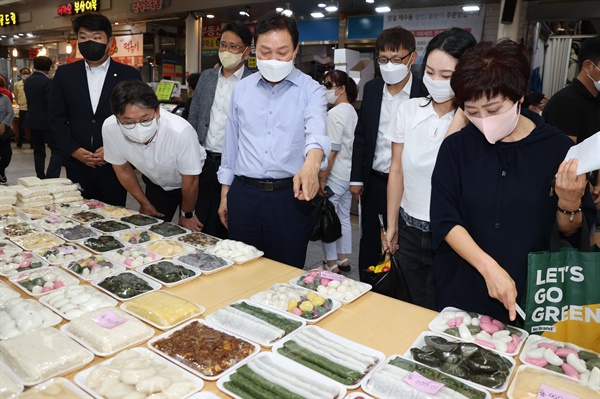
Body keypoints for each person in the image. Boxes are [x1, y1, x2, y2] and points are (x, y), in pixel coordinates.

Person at [430, 39, 596, 323]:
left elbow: (572, 231)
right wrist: (489, 269)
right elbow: (445, 218)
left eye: (493, 109)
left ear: (519, 96)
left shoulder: (556, 148)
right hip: (462, 291)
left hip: (533, 295)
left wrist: (569, 203)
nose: (483, 120)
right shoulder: (456, 148)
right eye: (472, 111)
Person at [217, 11, 330, 269]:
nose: (274, 59)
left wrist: (312, 166)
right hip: (244, 195)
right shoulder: (242, 90)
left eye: (282, 52)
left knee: (285, 273)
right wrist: (226, 193)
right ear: (255, 48)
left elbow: (316, 133)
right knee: (241, 270)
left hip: (289, 198)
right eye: (266, 52)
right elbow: (231, 145)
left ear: (296, 49)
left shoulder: (311, 90)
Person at [384, 28, 477, 310]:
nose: (436, 81)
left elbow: (445, 164)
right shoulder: (408, 110)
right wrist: (391, 225)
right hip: (410, 229)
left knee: (447, 310)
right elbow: (397, 170)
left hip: (454, 236)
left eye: (447, 76)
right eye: (431, 72)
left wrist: (464, 111)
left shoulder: (479, 121)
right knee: (408, 306)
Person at [349, 27, 425, 279]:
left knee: (403, 244)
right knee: (371, 241)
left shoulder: (424, 93)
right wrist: (356, 178)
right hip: (375, 181)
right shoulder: (372, 89)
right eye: (383, 59)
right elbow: (362, 136)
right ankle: (368, 288)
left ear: (411, 58)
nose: (389, 65)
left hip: (411, 186)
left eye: (396, 59)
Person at [48, 13, 142, 206]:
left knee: (113, 218)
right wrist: (73, 149)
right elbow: (56, 117)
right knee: (76, 218)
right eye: (83, 37)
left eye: (96, 37)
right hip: (77, 163)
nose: (89, 42)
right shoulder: (65, 74)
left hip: (115, 165)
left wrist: (114, 149)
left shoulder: (129, 75)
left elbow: (138, 120)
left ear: (109, 42)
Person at [102, 80, 206, 231]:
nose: (138, 128)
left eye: (145, 119)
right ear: (117, 119)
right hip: (156, 182)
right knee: (150, 231)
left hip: (196, 181)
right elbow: (123, 170)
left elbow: (191, 180)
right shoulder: (110, 128)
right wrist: (143, 202)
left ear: (157, 111)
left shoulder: (180, 131)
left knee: (196, 232)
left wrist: (187, 214)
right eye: (129, 122)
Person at [188, 23, 254, 239]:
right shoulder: (207, 77)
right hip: (204, 159)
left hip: (237, 163)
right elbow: (195, 115)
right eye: (223, 45)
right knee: (202, 220)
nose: (227, 51)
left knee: (229, 219)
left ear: (246, 51)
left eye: (234, 46)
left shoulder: (254, 81)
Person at [544, 35, 600, 244]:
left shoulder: (597, 101)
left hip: (589, 194)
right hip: (567, 197)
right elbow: (567, 160)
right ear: (588, 66)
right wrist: (585, 190)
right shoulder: (566, 102)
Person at [318, 70, 358, 273]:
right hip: (348, 174)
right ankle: (343, 259)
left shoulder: (334, 114)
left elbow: (332, 151)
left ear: (341, 89)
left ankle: (331, 262)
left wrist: (322, 180)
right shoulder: (351, 110)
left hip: (335, 175)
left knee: (328, 218)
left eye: (328, 85)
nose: (325, 89)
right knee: (343, 217)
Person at [24, 56, 62, 179]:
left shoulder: (28, 80)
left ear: (34, 66)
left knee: (38, 151)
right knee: (57, 150)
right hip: (46, 121)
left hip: (32, 120)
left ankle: (40, 176)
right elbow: (50, 103)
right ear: (50, 67)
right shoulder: (48, 82)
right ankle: (51, 177)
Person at [13, 68, 29, 148]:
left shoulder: (31, 83)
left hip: (31, 108)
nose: (25, 75)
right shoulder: (17, 84)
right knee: (21, 126)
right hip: (22, 107)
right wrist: (19, 103)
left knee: (32, 126)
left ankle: (32, 142)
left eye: (27, 73)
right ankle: (20, 141)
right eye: (24, 73)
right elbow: (16, 95)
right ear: (21, 74)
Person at [0, 93, 14, 184]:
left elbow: (10, 112)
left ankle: (1, 170)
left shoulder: (4, 98)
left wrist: (3, 123)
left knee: (7, 155)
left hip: (3, 132)